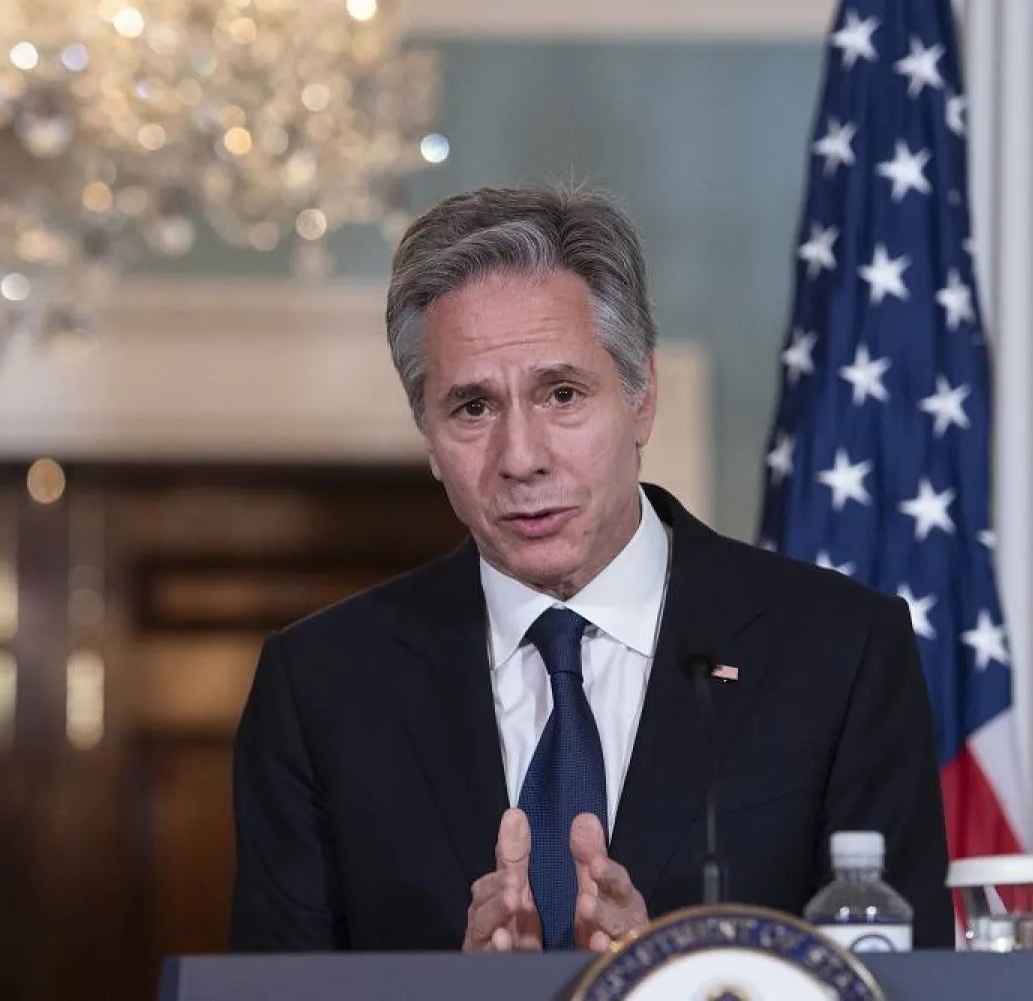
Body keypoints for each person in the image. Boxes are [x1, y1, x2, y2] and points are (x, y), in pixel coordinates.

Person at [228, 184, 954, 952]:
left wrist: (672, 980)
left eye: (562, 393)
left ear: (641, 398)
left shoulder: (840, 652)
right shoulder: (321, 687)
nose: (521, 458)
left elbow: (903, 985)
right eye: (472, 408)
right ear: (429, 438)